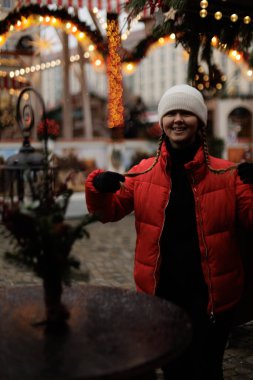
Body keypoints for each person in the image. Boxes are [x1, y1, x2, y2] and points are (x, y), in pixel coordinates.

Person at [85, 84, 253, 380]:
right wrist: (97, 187)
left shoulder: (228, 175)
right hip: (161, 296)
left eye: (186, 113)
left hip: (212, 299)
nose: (178, 119)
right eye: (171, 113)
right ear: (161, 122)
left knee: (207, 369)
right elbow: (107, 212)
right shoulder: (142, 173)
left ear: (199, 121)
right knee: (173, 368)